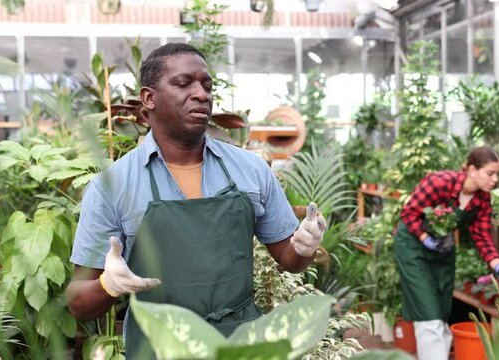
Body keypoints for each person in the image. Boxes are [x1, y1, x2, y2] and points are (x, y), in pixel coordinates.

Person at [65, 43, 326, 359]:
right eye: (183, 83)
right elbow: (79, 302)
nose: (202, 94)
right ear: (149, 98)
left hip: (240, 344)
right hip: (159, 347)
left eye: (206, 85)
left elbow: (289, 259)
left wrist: (303, 248)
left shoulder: (250, 170)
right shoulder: (113, 186)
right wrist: (109, 285)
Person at [393, 146, 499, 360]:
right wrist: (425, 238)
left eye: (498, 174)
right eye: (490, 173)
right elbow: (408, 213)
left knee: (440, 313)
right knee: (428, 316)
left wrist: (498, 265)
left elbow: (482, 237)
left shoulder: (482, 200)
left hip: (442, 253)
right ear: (472, 170)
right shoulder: (440, 182)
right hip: (412, 248)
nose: (495, 180)